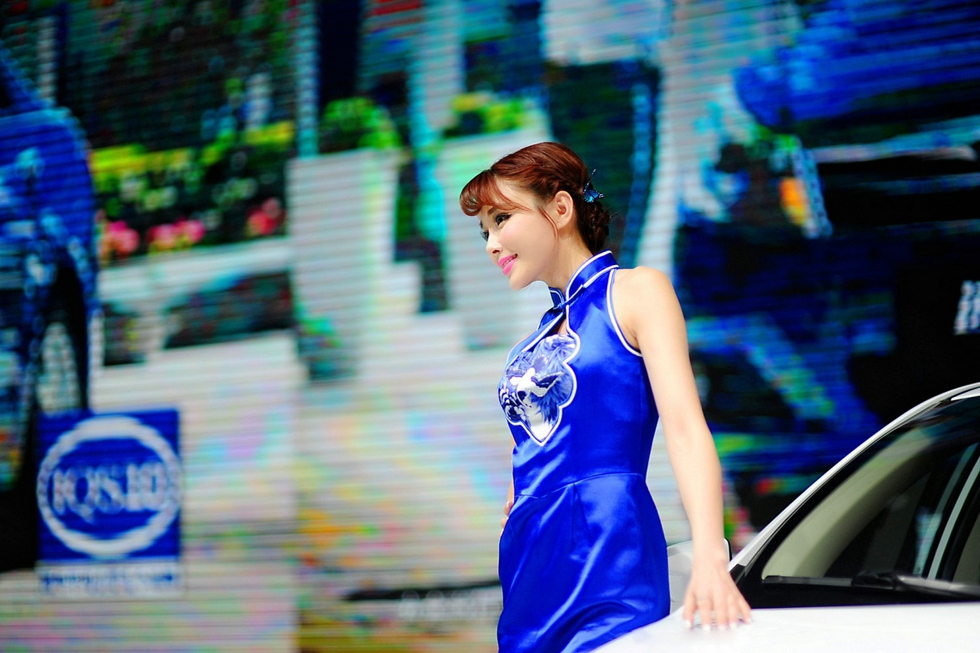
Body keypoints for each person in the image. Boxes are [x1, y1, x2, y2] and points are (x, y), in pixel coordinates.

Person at [458, 142, 751, 653]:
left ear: (560, 208)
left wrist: (710, 554)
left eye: (501, 220)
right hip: (531, 563)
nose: (491, 243)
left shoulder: (635, 291)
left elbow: (685, 429)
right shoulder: (529, 344)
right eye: (485, 231)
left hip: (608, 547)